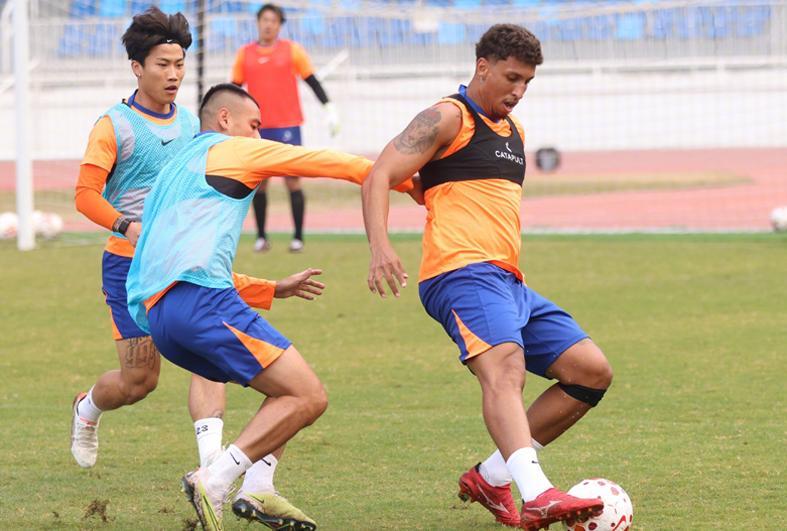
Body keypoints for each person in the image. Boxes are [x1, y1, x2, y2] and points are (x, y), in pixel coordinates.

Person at [125, 83, 413, 530]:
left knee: (284, 389)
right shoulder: (234, 150)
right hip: (202, 303)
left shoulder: (173, 170)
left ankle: (259, 487)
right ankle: (215, 479)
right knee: (308, 396)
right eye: (255, 125)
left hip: (163, 317)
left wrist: (269, 289)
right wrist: (410, 182)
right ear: (225, 119)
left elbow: (171, 260)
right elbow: (325, 162)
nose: (260, 137)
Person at [361, 24, 613, 530]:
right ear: (483, 67)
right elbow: (378, 175)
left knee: (590, 371)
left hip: (509, 282)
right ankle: (537, 493)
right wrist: (381, 246)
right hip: (459, 273)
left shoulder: (514, 132)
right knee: (505, 368)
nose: (519, 91)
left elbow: (454, 188)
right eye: (512, 78)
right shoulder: (447, 117)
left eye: (527, 82)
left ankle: (492, 476)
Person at [71, 10, 311, 528]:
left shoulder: (192, 125)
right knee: (138, 382)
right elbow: (85, 195)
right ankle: (87, 408)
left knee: (208, 355)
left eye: (180, 64)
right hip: (128, 265)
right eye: (163, 64)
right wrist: (128, 226)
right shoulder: (113, 125)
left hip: (185, 264)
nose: (174, 74)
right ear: (137, 67)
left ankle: (211, 475)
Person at [231, 3, 340, 253]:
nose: (268, 25)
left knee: (293, 181)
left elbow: (312, 81)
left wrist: (329, 107)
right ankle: (261, 237)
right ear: (258, 23)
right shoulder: (244, 54)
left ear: (280, 25)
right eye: (265, 20)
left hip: (288, 126)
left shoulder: (293, 51)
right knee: (259, 182)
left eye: (274, 21)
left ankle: (298, 237)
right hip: (257, 128)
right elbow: (234, 90)